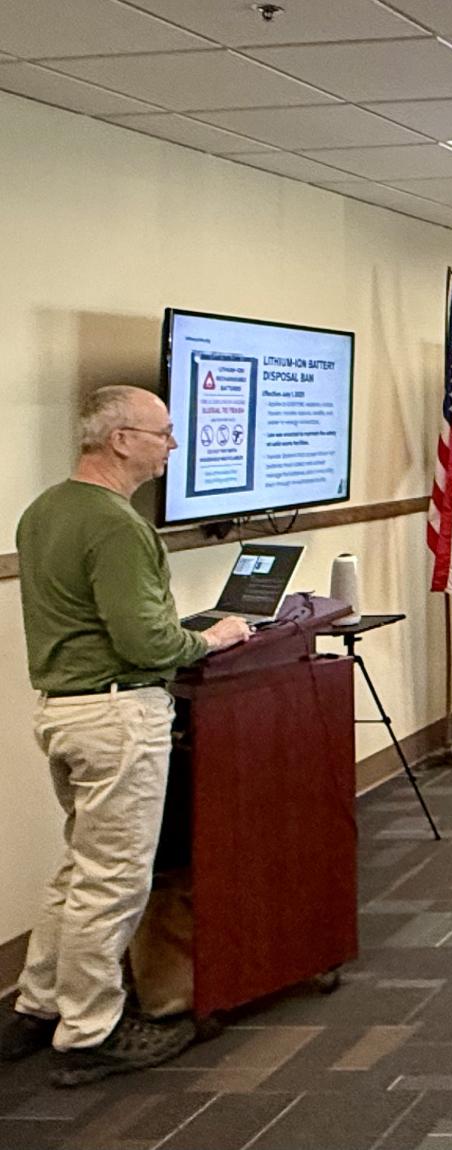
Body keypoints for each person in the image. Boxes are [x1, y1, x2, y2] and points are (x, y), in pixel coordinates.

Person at [2, 386, 253, 1088]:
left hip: (64, 710)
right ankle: (91, 1030)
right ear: (119, 439)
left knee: (80, 867)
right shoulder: (114, 524)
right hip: (116, 716)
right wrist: (214, 637)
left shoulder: (44, 510)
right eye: (163, 433)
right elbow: (145, 639)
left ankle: (39, 1003)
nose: (172, 445)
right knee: (112, 880)